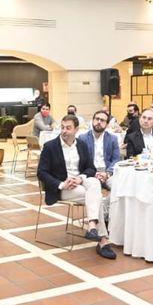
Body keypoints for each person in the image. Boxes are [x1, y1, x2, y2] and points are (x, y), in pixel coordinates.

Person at [38, 115, 114, 259]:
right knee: (94, 196)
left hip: (79, 182)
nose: (64, 131)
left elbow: (90, 168)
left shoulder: (81, 145)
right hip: (62, 187)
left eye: (68, 128)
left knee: (94, 183)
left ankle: (92, 226)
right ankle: (103, 240)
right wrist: (61, 184)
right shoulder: (50, 146)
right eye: (62, 127)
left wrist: (80, 178)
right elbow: (41, 172)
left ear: (76, 129)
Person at [79, 110, 121, 191]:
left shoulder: (113, 139)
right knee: (94, 187)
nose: (98, 122)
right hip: (90, 173)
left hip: (107, 172)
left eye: (102, 120)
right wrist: (93, 173)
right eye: (97, 119)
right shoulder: (82, 138)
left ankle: (108, 204)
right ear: (92, 120)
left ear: (107, 124)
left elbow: (116, 159)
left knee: (117, 187)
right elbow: (81, 161)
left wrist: (107, 173)